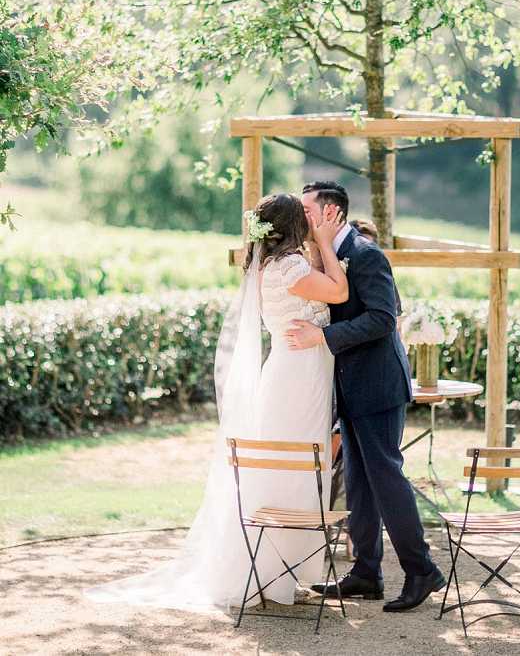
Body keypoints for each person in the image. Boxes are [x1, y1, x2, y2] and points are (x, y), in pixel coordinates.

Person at [83, 193, 348, 612]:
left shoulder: (267, 265)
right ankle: (275, 571)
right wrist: (327, 243)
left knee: (290, 461)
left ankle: (279, 569)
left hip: (291, 366)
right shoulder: (292, 266)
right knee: (297, 463)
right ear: (295, 226)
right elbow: (338, 291)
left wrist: (317, 247)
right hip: (300, 372)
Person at [287, 182, 446, 612]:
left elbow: (381, 317)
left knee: (386, 478)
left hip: (378, 385)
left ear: (331, 212)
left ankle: (421, 570)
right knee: (358, 482)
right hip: (350, 388)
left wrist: (324, 336)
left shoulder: (367, 254)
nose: (300, 216)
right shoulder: (323, 254)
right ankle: (366, 573)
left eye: (306, 209)